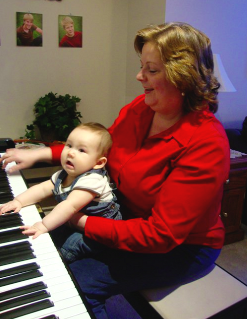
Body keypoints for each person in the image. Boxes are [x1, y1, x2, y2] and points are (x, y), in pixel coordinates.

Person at [1, 22, 230, 319]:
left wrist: (77, 219)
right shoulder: (141, 108)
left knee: (77, 280)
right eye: (141, 67)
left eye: (151, 70)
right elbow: (99, 149)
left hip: (181, 249)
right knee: (41, 242)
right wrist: (42, 153)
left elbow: (160, 235)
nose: (139, 77)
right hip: (121, 217)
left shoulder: (206, 143)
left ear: (182, 77)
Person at [0, 122, 121, 263]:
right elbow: (43, 188)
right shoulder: (64, 174)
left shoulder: (92, 180)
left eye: (82, 150)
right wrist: (19, 201)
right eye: (69, 145)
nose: (70, 152)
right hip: (73, 219)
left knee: (67, 248)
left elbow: (70, 206)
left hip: (96, 232)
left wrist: (44, 225)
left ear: (98, 163)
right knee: (51, 236)